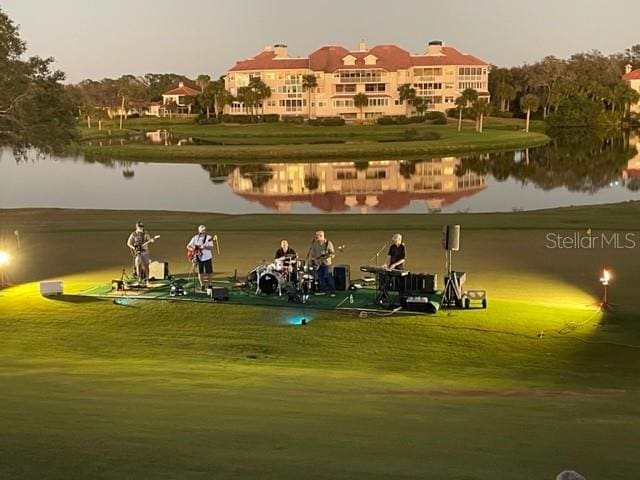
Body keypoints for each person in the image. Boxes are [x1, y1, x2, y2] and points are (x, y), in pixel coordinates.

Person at [187, 224, 215, 291]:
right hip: (199, 257)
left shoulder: (209, 237)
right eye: (202, 231)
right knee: (200, 272)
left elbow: (211, 247)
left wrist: (205, 247)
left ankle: (209, 284)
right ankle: (202, 285)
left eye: (204, 230)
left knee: (209, 272)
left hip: (207, 257)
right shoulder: (195, 238)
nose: (203, 232)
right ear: (199, 231)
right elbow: (188, 246)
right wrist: (193, 250)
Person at [308, 230, 336, 295]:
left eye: (317, 235)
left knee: (328, 276)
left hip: (326, 263)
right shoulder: (315, 244)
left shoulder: (328, 243)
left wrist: (329, 255)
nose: (316, 237)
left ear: (321, 236)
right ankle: (323, 290)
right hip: (319, 264)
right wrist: (313, 260)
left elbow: (332, 253)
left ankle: (332, 290)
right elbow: (312, 253)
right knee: (320, 277)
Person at [126, 221, 154, 286]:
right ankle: (139, 280)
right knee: (138, 265)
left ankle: (147, 280)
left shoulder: (146, 234)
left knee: (146, 265)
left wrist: (151, 240)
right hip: (138, 252)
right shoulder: (133, 234)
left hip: (145, 252)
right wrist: (134, 248)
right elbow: (128, 243)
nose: (141, 228)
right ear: (137, 227)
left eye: (142, 227)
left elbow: (150, 240)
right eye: (140, 227)